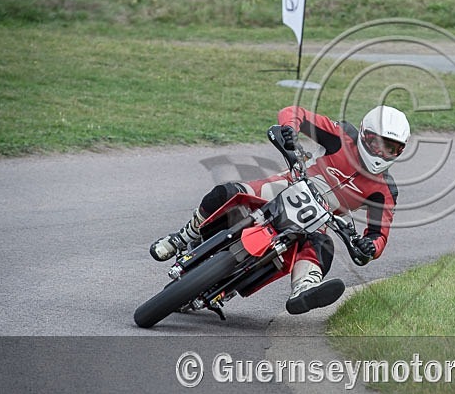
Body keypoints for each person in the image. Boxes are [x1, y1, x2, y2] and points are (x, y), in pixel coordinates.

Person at [149, 105, 410, 315]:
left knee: (323, 246)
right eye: (378, 143)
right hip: (287, 184)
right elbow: (295, 112)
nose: (382, 153)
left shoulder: (385, 189)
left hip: (320, 219)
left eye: (391, 148)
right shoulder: (342, 135)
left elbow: (379, 234)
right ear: (364, 134)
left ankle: (304, 288)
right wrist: (289, 131)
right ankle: (183, 237)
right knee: (227, 192)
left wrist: (369, 247)